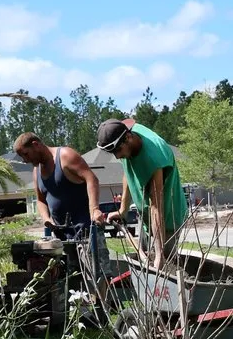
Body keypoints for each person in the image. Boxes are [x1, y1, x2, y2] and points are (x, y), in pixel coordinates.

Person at [13, 132, 110, 298]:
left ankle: (104, 313)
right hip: (62, 237)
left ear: (36, 144)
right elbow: (41, 200)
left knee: (97, 276)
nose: (25, 160)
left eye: (26, 154)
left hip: (86, 230)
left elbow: (91, 179)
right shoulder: (37, 172)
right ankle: (79, 315)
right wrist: (46, 219)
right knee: (69, 280)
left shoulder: (65, 156)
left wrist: (94, 208)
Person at [96, 118, 188, 269]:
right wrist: (122, 210)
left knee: (165, 267)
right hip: (146, 216)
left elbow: (156, 206)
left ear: (128, 137)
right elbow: (127, 172)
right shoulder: (124, 136)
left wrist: (159, 255)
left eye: (118, 151)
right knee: (144, 260)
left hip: (168, 218)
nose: (117, 157)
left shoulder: (154, 156)